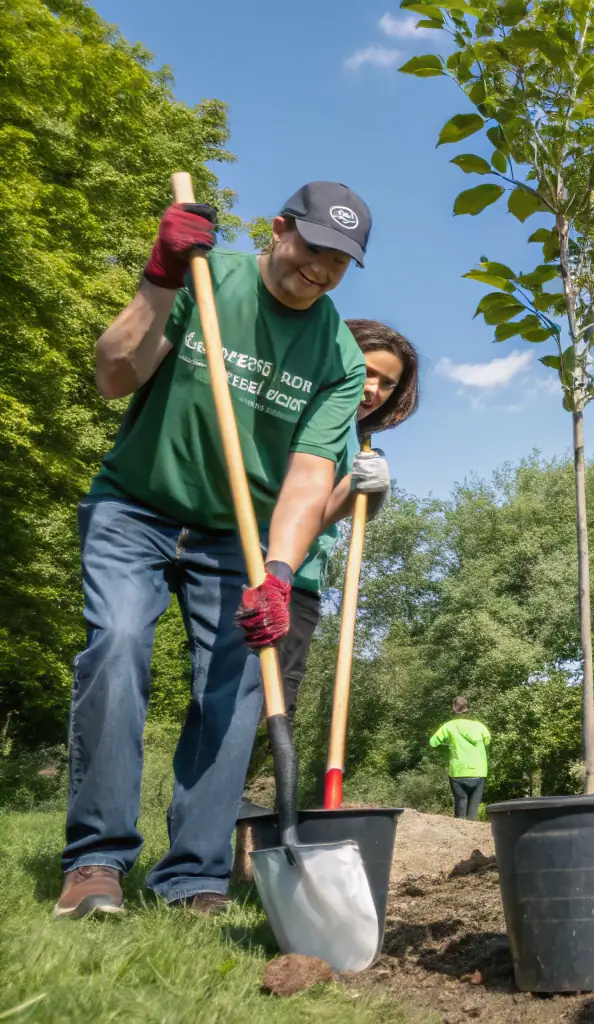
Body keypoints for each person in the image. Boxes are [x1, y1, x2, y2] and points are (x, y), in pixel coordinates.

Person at [56, 181, 372, 919]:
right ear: (279, 229)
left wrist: (281, 572)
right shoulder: (206, 277)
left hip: (238, 532)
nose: (322, 272)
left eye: (341, 263)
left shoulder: (339, 356)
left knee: (235, 690)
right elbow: (112, 376)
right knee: (118, 644)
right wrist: (159, 281)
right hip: (135, 502)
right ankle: (96, 861)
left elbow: (306, 480)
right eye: (314, 249)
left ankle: (194, 876)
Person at [277, 319, 421, 722]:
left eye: (388, 383)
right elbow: (287, 518)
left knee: (277, 711)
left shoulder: (352, 437)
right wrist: (346, 497)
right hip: (267, 578)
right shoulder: (304, 419)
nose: (374, 390)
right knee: (250, 706)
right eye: (366, 372)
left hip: (303, 586)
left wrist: (361, 498)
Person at [429, 698, 492, 820]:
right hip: (479, 771)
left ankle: (460, 833)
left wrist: (447, 751)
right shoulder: (480, 726)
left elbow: (433, 743)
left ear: (454, 711)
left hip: (458, 771)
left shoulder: (448, 726)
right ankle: (471, 835)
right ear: (466, 711)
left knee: (460, 809)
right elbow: (487, 741)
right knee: (473, 812)